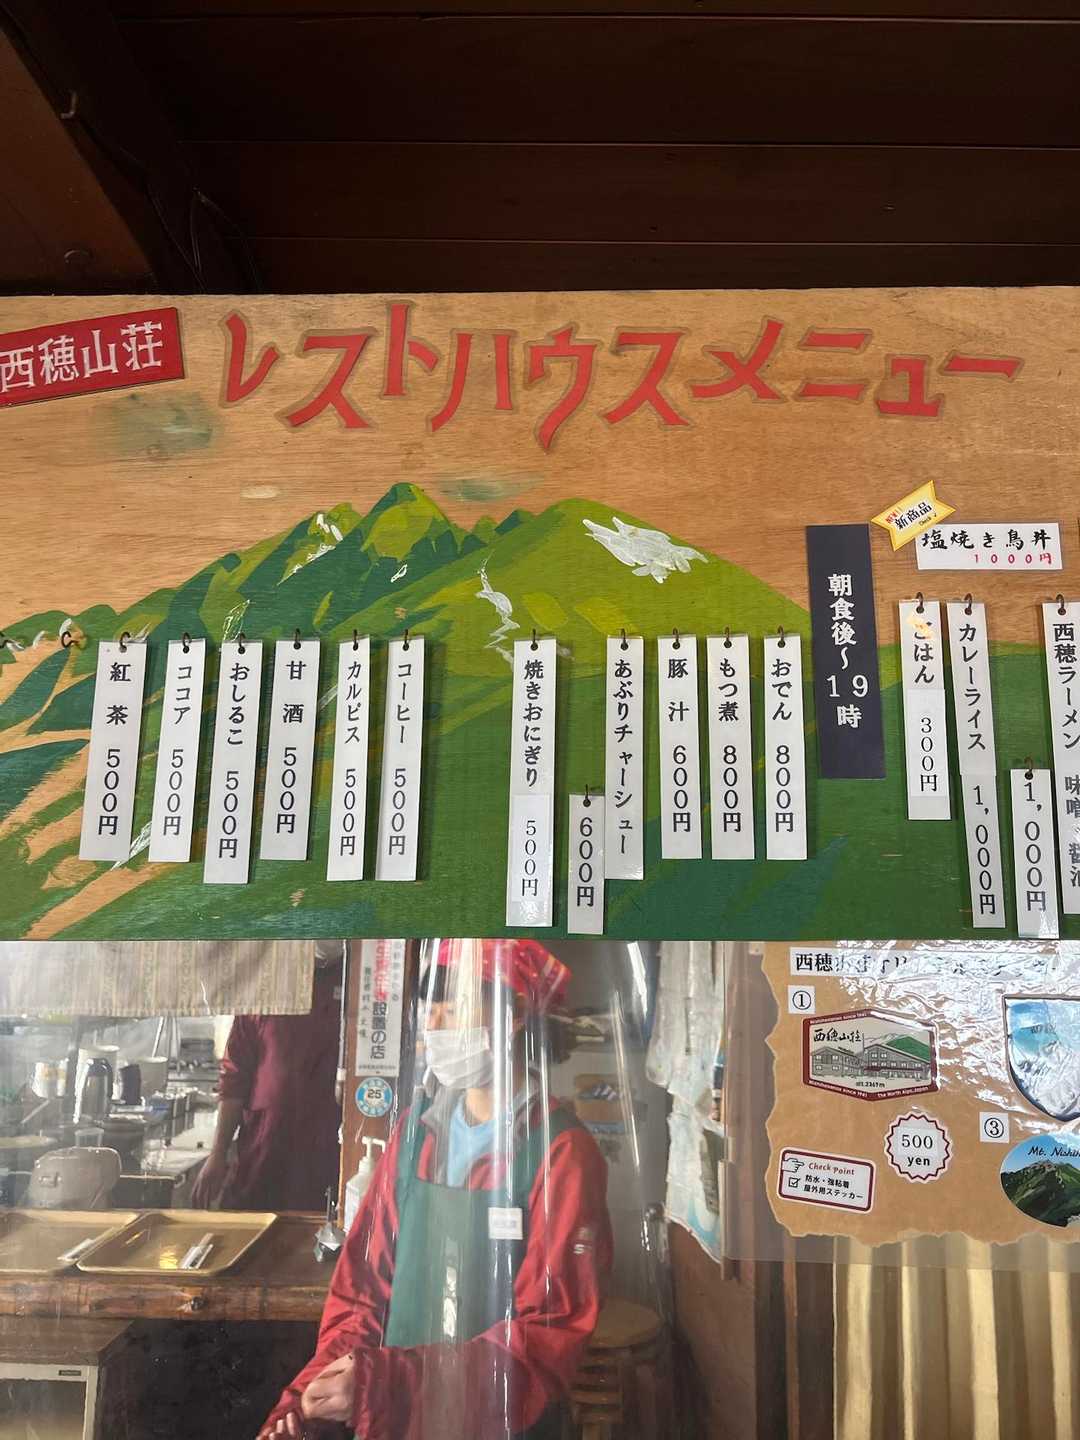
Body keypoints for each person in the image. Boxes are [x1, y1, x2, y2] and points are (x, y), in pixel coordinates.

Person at [259, 938, 612, 1440]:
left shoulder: (562, 1153)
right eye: (431, 1006)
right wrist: (306, 1400)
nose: (437, 1024)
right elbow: (361, 1293)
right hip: (394, 1421)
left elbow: (546, 1336)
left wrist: (386, 1385)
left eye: (456, 1005)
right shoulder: (415, 1133)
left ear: (513, 1016)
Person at [192, 941, 343, 1213]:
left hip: (329, 1153)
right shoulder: (266, 989)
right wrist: (217, 1154)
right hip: (264, 1150)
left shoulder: (356, 986)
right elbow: (234, 1078)